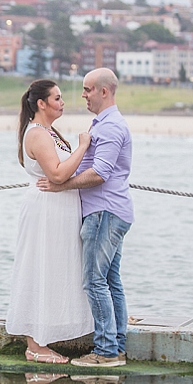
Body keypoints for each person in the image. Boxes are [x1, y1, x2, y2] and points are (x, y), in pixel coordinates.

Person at [38, 67, 134, 368]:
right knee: (110, 280)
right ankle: (116, 346)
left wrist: (59, 185)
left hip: (104, 211)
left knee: (94, 281)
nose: (83, 95)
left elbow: (100, 174)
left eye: (87, 89)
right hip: (111, 210)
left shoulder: (109, 128)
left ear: (104, 91)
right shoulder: (104, 124)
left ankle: (105, 352)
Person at [6, 79, 95, 364]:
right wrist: (82, 146)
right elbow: (57, 175)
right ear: (41, 103)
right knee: (39, 268)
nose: (63, 102)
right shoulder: (37, 134)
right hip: (45, 210)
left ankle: (45, 334)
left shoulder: (49, 132)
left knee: (56, 269)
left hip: (58, 210)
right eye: (57, 98)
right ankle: (34, 344)